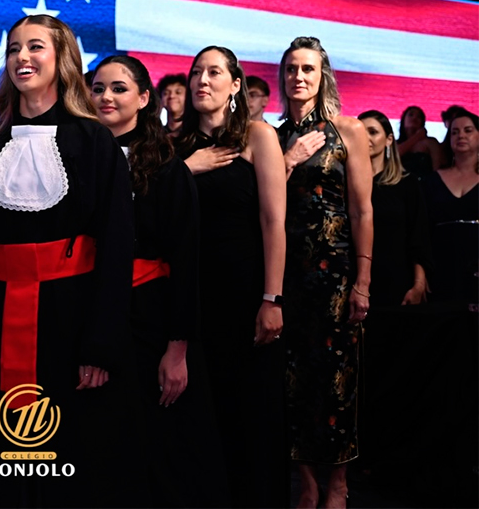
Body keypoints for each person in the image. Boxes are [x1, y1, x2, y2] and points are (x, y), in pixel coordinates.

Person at [0, 15, 142, 508]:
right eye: (14, 48)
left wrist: (101, 346)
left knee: (71, 460)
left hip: (71, 324)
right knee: (2, 458)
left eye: (35, 47)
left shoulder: (96, 143)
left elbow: (116, 250)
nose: (22, 57)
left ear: (62, 59)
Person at [91, 55, 227, 507]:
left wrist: (177, 348)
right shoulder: (73, 161)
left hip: (149, 323)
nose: (106, 97)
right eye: (98, 88)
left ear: (144, 98)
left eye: (119, 88)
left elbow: (186, 261)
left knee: (160, 451)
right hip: (90, 320)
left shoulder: (168, 168)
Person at [174, 46, 288, 508]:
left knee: (251, 415)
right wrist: (185, 169)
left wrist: (272, 298)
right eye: (196, 72)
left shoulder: (258, 135)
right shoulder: (174, 145)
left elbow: (273, 221)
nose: (202, 80)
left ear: (235, 84)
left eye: (214, 72)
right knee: (199, 416)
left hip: (245, 295)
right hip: (191, 296)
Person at [276, 36, 373, 509]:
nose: (299, 76)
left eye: (308, 69)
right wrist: (288, 160)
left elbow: (362, 211)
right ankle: (307, 482)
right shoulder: (271, 137)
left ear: (322, 76)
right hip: (284, 274)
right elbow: (262, 206)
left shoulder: (348, 130)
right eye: (292, 68)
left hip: (336, 275)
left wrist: (363, 282)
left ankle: (337, 482)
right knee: (291, 380)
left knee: (336, 381)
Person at [357, 110, 431, 310]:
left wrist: (419, 284)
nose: (365, 138)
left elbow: (419, 236)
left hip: (396, 282)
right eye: (360, 132)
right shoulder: (346, 184)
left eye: (373, 132)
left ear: (389, 139)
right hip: (352, 283)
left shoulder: (407, 183)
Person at [421, 110, 479, 309]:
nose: (461, 135)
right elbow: (421, 230)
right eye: (454, 132)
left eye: (468, 130)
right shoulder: (432, 180)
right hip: (441, 264)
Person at [396, 105, 444, 177]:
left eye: (419, 117)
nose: (414, 118)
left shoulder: (430, 143)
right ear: (403, 120)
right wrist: (417, 137)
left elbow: (437, 171)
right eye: (411, 114)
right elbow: (393, 156)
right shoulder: (394, 143)